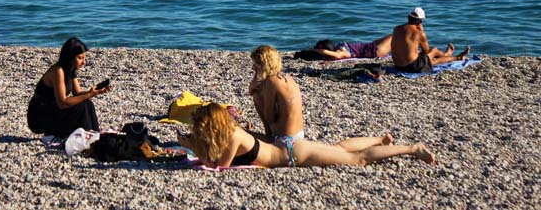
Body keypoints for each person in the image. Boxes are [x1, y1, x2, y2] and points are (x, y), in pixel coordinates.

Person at [178, 103, 435, 168]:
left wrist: (192, 147)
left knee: (357, 160)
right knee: (340, 148)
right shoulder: (231, 133)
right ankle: (380, 139)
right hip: (290, 147)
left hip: (293, 154)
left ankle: (412, 148)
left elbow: (219, 167)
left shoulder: (234, 137)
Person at [27, 37, 111, 138]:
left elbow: (77, 93)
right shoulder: (58, 71)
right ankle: (88, 139)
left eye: (84, 58)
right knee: (82, 107)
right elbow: (63, 103)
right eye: (80, 58)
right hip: (39, 116)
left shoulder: (70, 69)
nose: (83, 62)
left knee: (88, 103)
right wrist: (89, 94)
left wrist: (94, 92)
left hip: (53, 110)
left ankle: (95, 135)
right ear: (70, 57)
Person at [248, 45, 304, 142]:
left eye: (255, 66)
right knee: (256, 94)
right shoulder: (287, 78)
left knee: (256, 96)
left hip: (285, 140)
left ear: (263, 65)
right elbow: (251, 90)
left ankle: (269, 137)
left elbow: (270, 117)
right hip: (299, 134)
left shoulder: (271, 82)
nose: (254, 69)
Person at [391, 7, 470, 73]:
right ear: (420, 21)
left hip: (398, 66)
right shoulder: (419, 33)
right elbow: (426, 51)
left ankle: (451, 56)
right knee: (434, 51)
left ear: (408, 17)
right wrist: (421, 31)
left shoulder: (396, 29)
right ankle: (455, 57)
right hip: (412, 67)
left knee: (429, 58)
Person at [311, 35, 393, 60]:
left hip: (371, 46)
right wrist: (315, 50)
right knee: (396, 34)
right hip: (374, 51)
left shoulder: (338, 48)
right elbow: (331, 54)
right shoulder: (340, 53)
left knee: (395, 35)